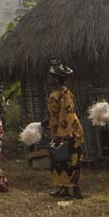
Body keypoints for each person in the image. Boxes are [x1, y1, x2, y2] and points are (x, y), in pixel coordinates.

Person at [44, 61, 84, 199]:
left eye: (50, 77)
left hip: (71, 133)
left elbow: (66, 115)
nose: (48, 79)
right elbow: (55, 114)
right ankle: (64, 189)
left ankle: (76, 191)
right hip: (59, 132)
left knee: (72, 161)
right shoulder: (55, 94)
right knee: (60, 161)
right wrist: (46, 123)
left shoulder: (65, 94)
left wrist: (62, 135)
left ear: (56, 79)